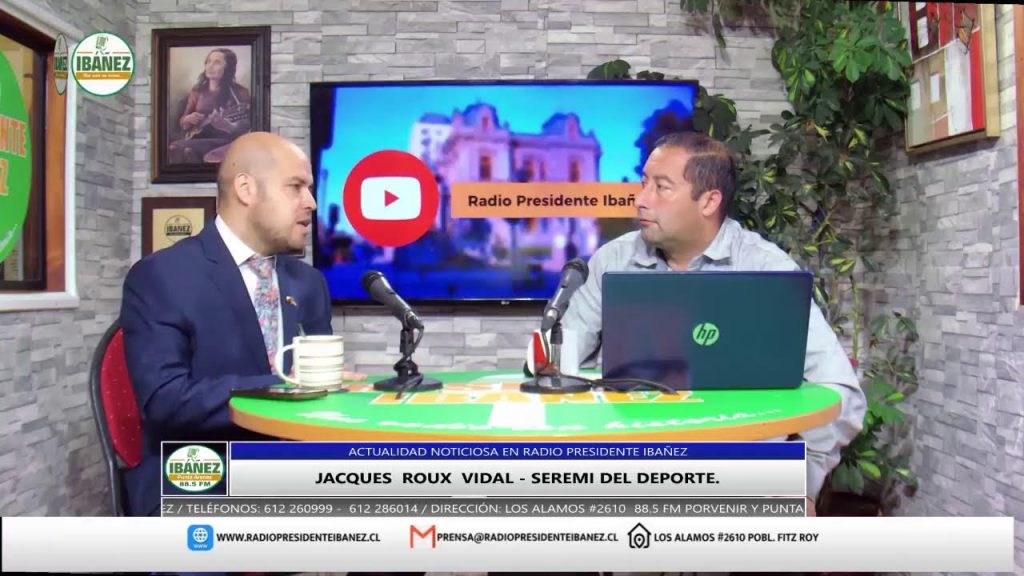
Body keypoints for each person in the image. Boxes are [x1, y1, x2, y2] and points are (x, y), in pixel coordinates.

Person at [561, 131, 867, 516]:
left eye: (662, 187)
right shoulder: (611, 261)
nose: (641, 199)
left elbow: (841, 393)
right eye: (644, 183)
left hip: (743, 477)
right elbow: (560, 367)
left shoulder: (766, 268)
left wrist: (800, 482)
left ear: (708, 201)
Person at [120, 132, 348, 518]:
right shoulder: (162, 276)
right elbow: (164, 400)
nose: (311, 202)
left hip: (296, 465)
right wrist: (282, 388)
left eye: (309, 189)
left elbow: (319, 390)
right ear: (246, 189)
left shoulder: (309, 283)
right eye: (296, 187)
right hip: (198, 468)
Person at [168, 48, 251, 165]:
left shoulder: (240, 92)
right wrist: (187, 119)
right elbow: (183, 122)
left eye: (217, 62)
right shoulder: (197, 91)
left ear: (228, 67)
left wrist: (227, 126)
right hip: (197, 137)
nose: (210, 66)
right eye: (208, 62)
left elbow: (246, 129)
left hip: (225, 141)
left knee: (179, 147)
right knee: (176, 149)